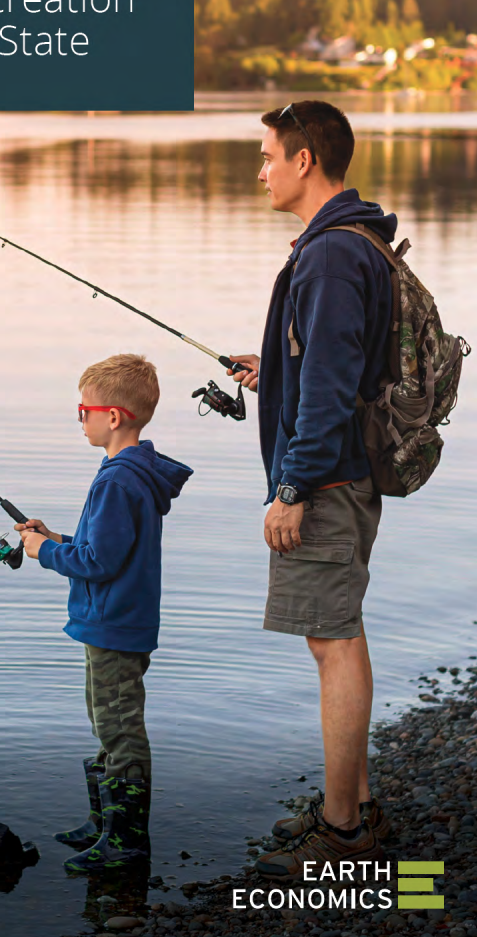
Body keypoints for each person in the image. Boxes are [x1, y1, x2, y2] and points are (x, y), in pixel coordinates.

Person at [228, 101, 395, 878]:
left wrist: (290, 488)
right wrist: (275, 377)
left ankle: (341, 835)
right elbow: (331, 365)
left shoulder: (330, 255)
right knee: (338, 631)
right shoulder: (353, 240)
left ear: (304, 161)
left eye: (266, 156)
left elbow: (329, 384)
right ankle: (353, 804)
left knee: (330, 642)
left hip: (324, 477)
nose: (259, 170)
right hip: (341, 466)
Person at [15, 353, 192, 873]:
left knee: (119, 727)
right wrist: (55, 539)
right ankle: (103, 825)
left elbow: (99, 561)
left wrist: (42, 553)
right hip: (115, 620)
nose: (80, 418)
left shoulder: (117, 480)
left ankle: (127, 842)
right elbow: (103, 548)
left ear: (112, 416)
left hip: (114, 624)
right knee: (105, 720)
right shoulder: (128, 473)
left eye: (84, 409)